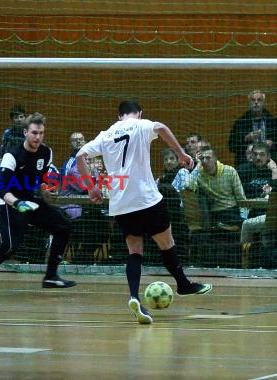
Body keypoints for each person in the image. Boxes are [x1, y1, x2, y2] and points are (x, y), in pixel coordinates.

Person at [76, 100, 212, 325]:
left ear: (119, 116)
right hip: (146, 199)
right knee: (166, 243)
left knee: (134, 251)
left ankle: (134, 296)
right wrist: (180, 154)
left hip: (121, 203)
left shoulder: (106, 133)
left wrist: (91, 187)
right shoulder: (142, 124)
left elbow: (80, 155)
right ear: (139, 113)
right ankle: (183, 284)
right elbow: (161, 128)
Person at [0, 112, 75, 296]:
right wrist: (18, 203)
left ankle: (51, 276)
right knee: (10, 246)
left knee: (63, 226)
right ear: (25, 132)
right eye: (34, 133)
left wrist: (46, 192)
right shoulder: (12, 156)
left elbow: (41, 178)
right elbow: (0, 189)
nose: (38, 137)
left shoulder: (46, 153)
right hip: (7, 201)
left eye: (41, 133)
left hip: (28, 199)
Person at [186, 145, 246, 226]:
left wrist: (244, 217)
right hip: (214, 213)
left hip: (232, 210)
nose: (205, 161)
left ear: (215, 158)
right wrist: (198, 165)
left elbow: (241, 197)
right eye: (202, 159)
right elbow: (188, 186)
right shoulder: (199, 175)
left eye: (208, 158)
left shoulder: (230, 171)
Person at [229, 90, 277, 167]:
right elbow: (231, 146)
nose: (256, 102)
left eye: (259, 100)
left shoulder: (273, 121)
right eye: (253, 100)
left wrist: (273, 144)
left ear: (264, 103)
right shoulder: (241, 122)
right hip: (247, 162)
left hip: (270, 161)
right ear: (249, 103)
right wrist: (246, 138)